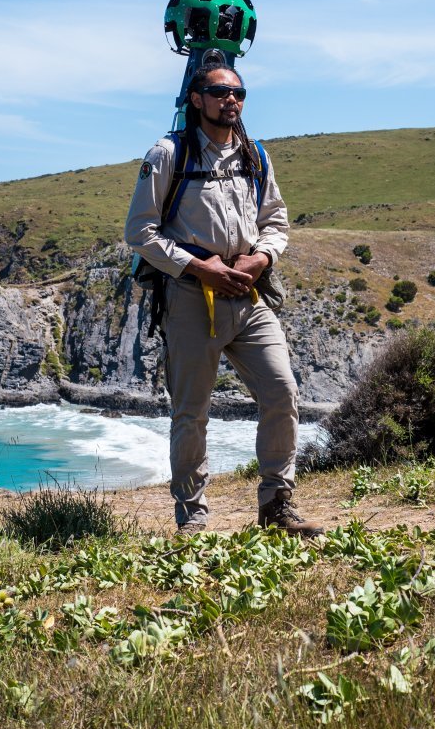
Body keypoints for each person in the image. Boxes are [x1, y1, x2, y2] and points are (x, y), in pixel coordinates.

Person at [125, 60, 323, 537]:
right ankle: (192, 518)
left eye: (238, 93)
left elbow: (276, 219)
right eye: (220, 93)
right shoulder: (168, 154)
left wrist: (263, 258)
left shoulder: (255, 155)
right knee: (191, 413)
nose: (231, 100)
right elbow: (140, 232)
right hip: (192, 297)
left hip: (249, 295)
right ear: (197, 99)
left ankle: (278, 505)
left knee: (282, 392)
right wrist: (199, 266)